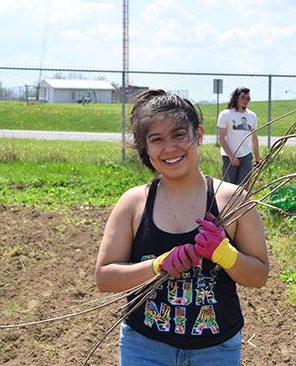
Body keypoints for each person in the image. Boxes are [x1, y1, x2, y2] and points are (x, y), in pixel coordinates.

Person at [95, 89, 269, 366]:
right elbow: (105, 278)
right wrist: (157, 265)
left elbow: (259, 275)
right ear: (146, 147)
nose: (169, 148)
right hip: (144, 348)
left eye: (179, 135)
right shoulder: (134, 203)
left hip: (216, 350)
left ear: (198, 135)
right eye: (156, 140)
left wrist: (225, 254)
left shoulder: (233, 200)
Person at [217, 87, 260, 188]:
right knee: (229, 189)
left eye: (248, 98)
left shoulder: (252, 116)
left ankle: (243, 204)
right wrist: (231, 157)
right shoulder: (226, 114)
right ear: (236, 98)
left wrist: (257, 158)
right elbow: (221, 137)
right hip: (229, 157)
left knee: (244, 187)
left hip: (246, 156)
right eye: (243, 98)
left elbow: (254, 138)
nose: (245, 101)